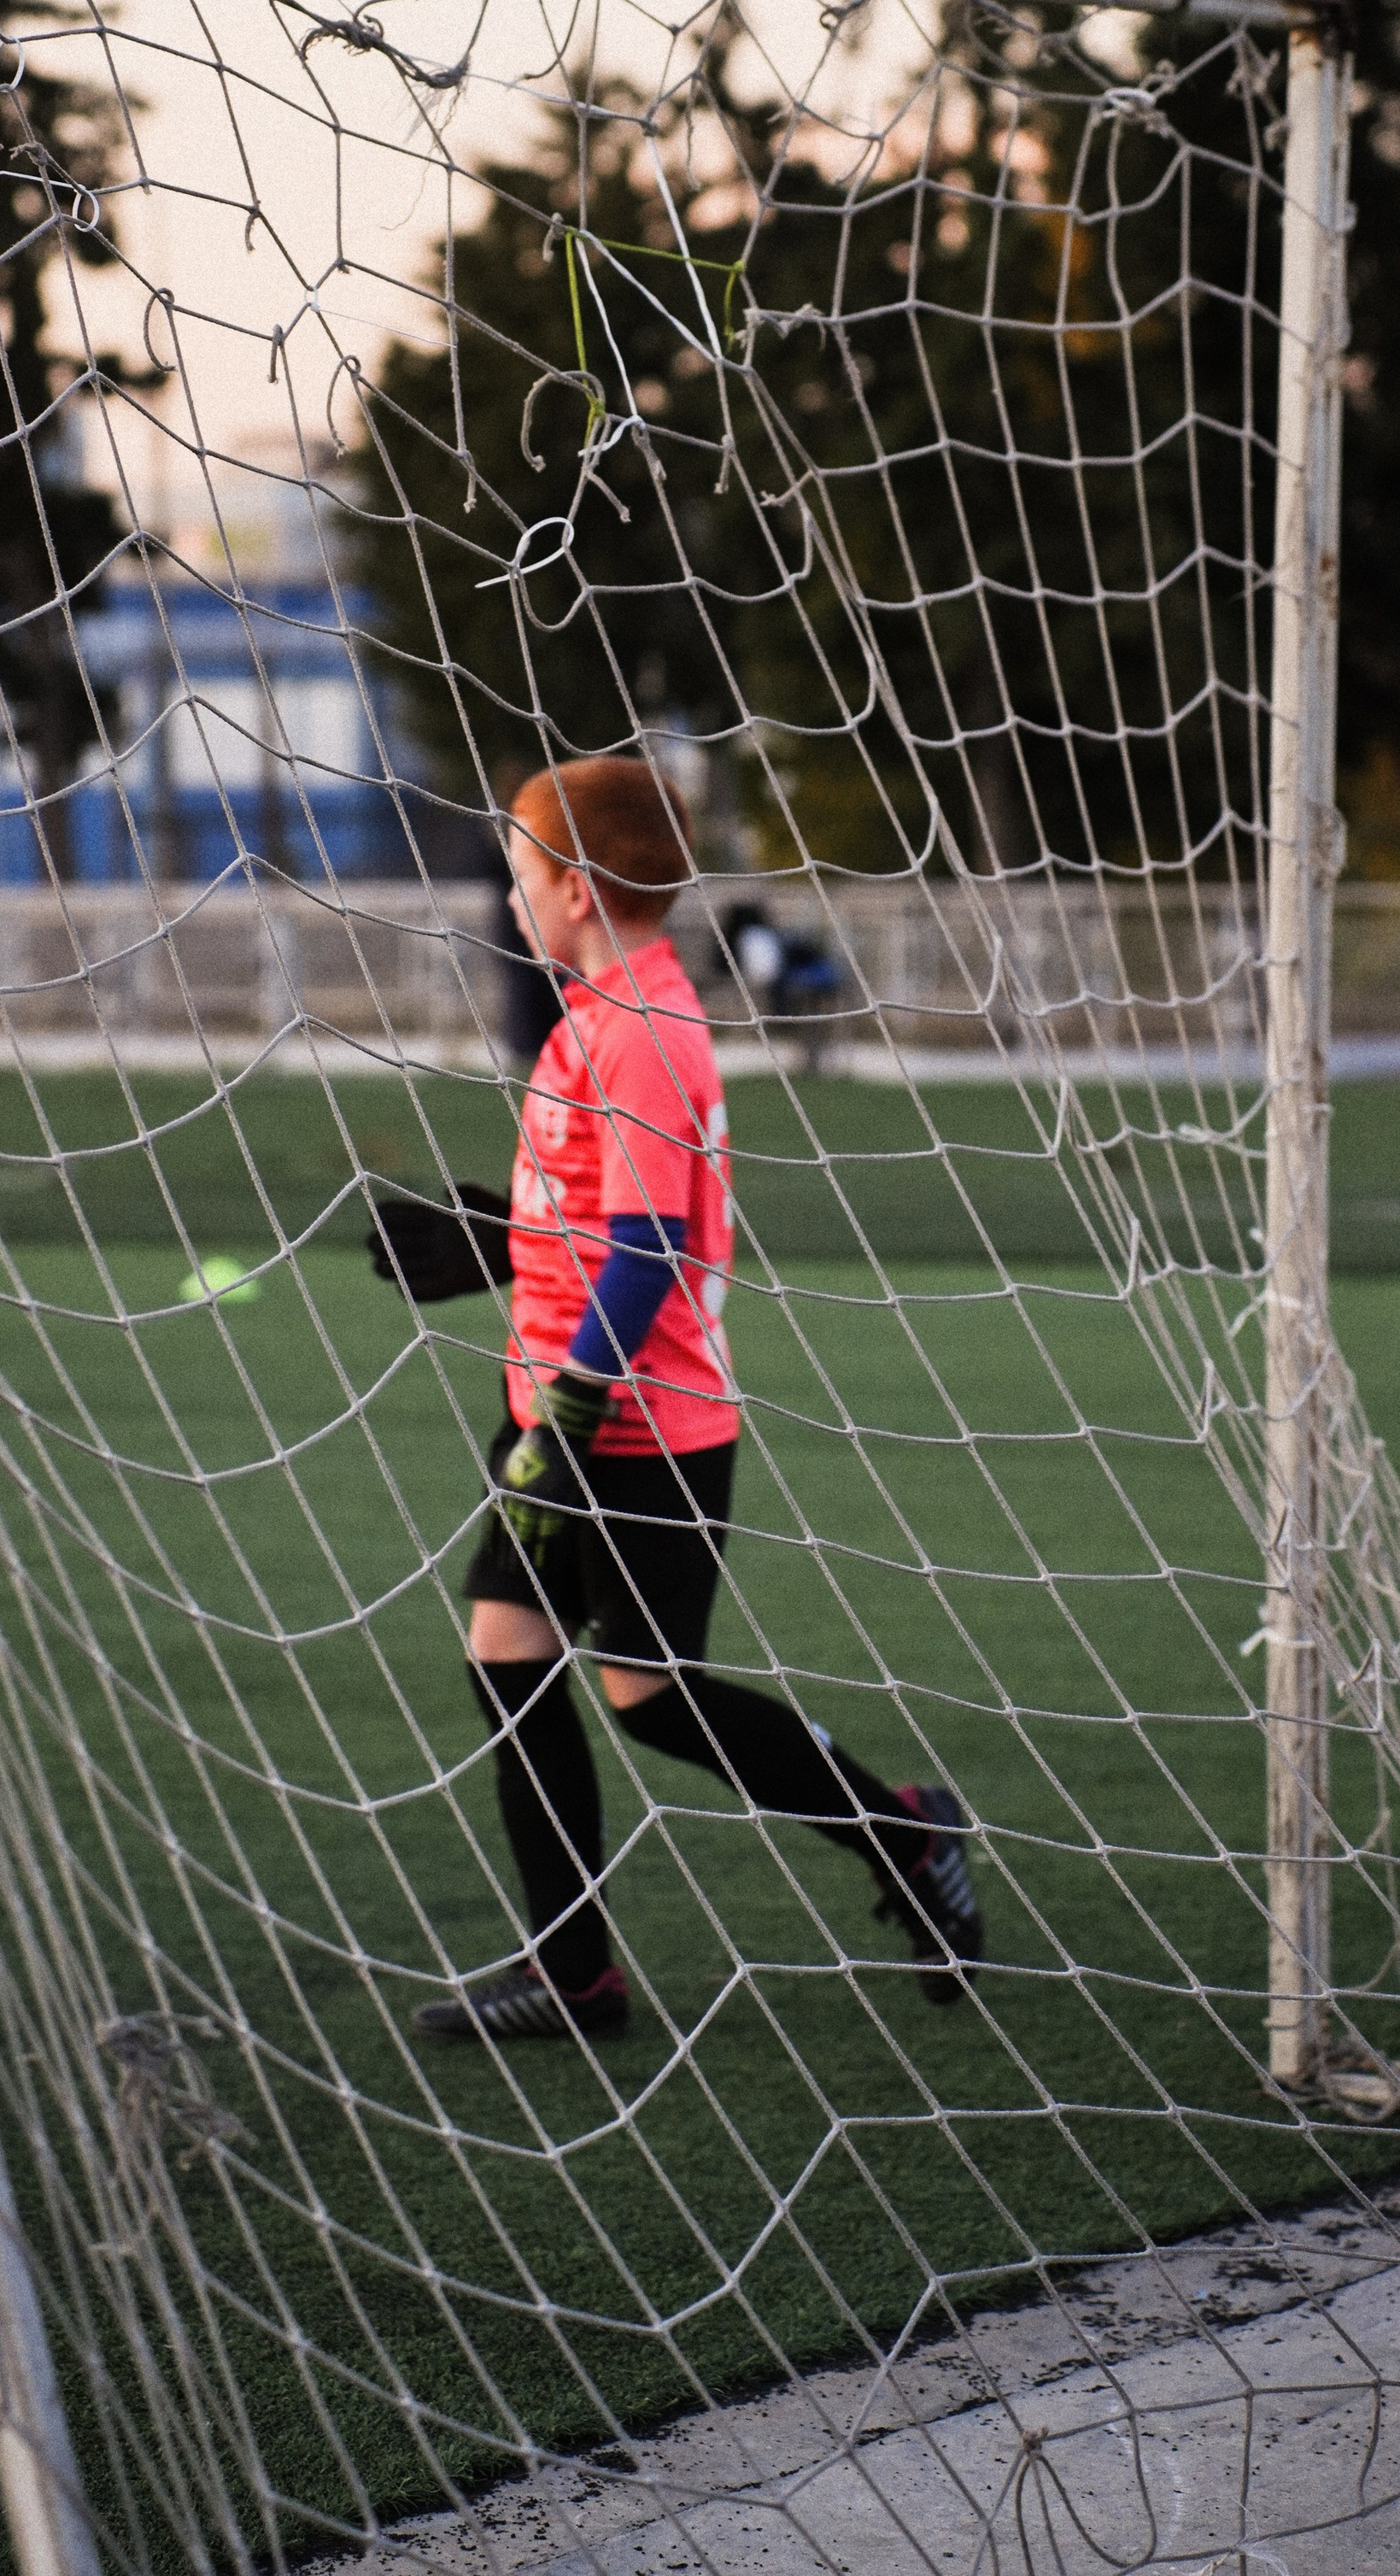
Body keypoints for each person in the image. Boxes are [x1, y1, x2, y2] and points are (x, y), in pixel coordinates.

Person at [366, 755, 984, 2043]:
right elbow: (604, 1218)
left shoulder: (643, 1029)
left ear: (580, 888)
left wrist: (566, 1433)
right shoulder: (600, 1012)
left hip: (629, 1434)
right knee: (513, 1654)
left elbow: (651, 1251)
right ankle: (573, 1970)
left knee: (646, 1696)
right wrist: (507, 1241)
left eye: (526, 876)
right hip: (566, 1418)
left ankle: (903, 1832)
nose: (517, 899)